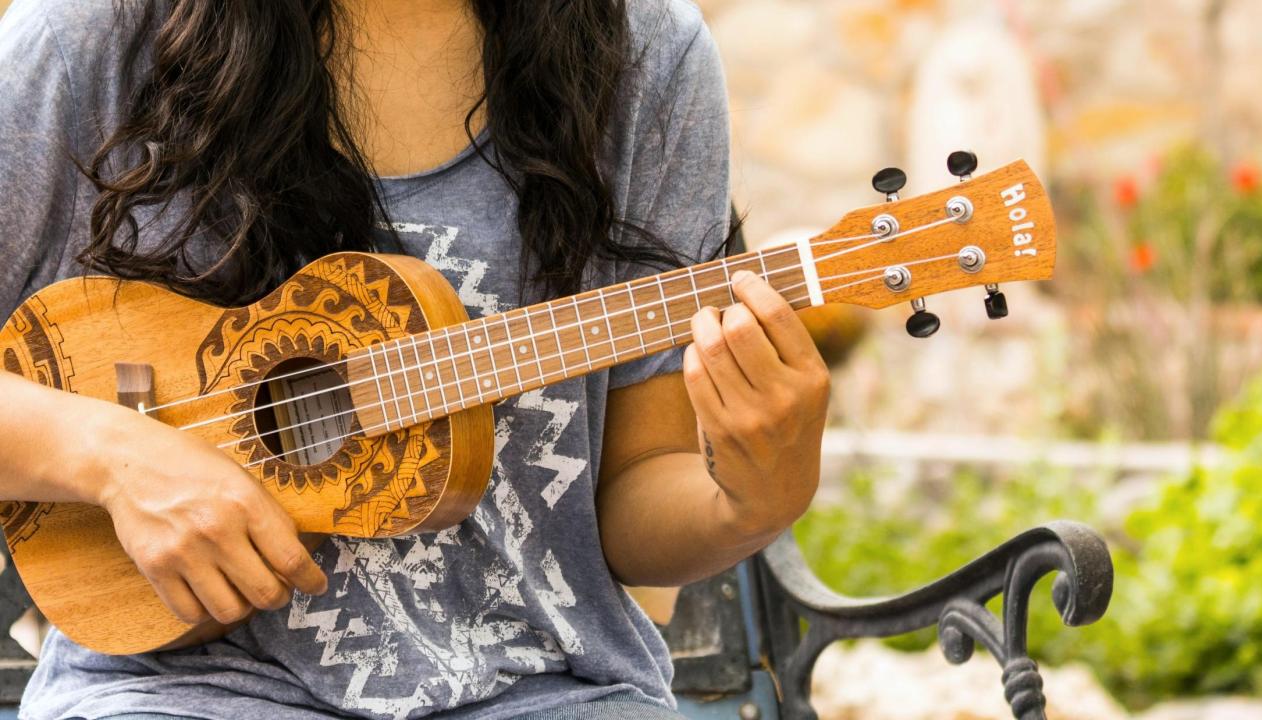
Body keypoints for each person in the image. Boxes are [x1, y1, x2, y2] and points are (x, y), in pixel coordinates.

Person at [0, 0, 830, 718]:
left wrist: (752, 502)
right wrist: (112, 456)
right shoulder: (94, 40)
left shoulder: (645, 54)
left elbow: (634, 491)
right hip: (173, 691)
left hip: (546, 690)